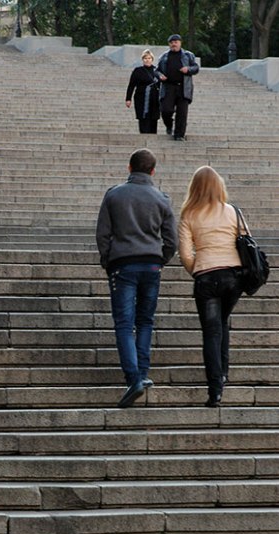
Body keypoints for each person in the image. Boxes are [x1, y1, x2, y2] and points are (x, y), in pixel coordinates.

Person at [96, 148, 177, 409]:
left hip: (123, 264)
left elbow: (103, 234)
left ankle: (133, 378)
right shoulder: (162, 199)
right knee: (145, 321)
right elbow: (171, 240)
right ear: (153, 171)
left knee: (124, 323)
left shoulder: (114, 195)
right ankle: (141, 374)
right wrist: (160, 259)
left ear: (129, 168)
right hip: (151, 265)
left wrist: (109, 260)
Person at [179, 166, 244, 407]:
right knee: (222, 323)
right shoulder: (232, 212)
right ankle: (223, 373)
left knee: (212, 331)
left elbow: (185, 253)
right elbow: (245, 241)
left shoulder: (189, 214)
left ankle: (215, 389)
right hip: (232, 277)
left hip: (206, 277)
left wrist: (198, 268)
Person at [157, 33, 199, 141]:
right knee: (165, 110)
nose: (173, 44)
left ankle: (179, 135)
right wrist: (160, 75)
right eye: (171, 43)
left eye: (176, 42)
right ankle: (169, 125)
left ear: (180, 43)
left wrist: (188, 69)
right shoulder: (164, 56)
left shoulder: (188, 55)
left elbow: (196, 68)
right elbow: (156, 70)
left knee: (182, 113)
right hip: (168, 87)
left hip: (183, 87)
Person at [125, 49, 160, 134]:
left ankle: (153, 135)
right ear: (142, 60)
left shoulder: (157, 71)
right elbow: (131, 85)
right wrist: (128, 99)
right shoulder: (138, 71)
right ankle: (143, 134)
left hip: (154, 98)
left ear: (152, 59)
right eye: (145, 58)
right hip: (141, 97)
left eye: (149, 58)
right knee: (143, 117)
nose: (147, 60)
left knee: (153, 118)